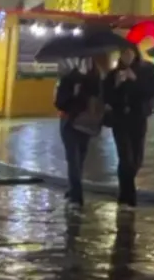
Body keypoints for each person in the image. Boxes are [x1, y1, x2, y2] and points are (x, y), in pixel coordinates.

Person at [104, 46, 154, 207]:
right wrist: (117, 84)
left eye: (129, 53)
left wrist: (135, 80)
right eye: (123, 53)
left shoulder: (146, 72)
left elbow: (152, 92)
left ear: (135, 54)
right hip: (120, 120)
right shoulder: (113, 74)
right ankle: (126, 196)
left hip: (138, 118)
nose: (127, 56)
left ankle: (126, 193)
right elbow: (106, 96)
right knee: (125, 157)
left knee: (137, 159)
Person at [54, 57, 104, 208]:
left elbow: (99, 100)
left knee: (79, 159)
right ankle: (76, 196)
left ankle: (73, 190)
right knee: (74, 159)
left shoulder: (96, 79)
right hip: (70, 123)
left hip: (85, 124)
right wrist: (73, 94)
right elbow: (59, 102)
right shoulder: (69, 79)